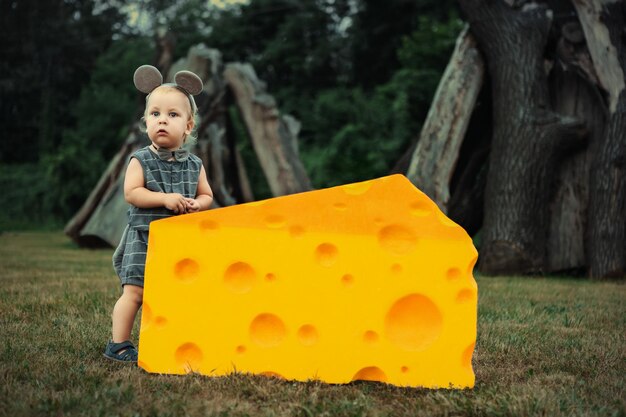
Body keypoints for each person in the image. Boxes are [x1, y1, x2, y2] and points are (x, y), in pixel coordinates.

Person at [104, 65, 213, 363]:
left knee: (177, 294)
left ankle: (175, 340)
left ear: (188, 127)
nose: (162, 119)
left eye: (172, 115)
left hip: (179, 243)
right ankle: (119, 343)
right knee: (135, 294)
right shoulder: (140, 160)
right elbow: (132, 193)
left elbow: (207, 195)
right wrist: (165, 198)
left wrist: (197, 205)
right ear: (146, 122)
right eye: (155, 114)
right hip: (144, 239)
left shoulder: (195, 165)